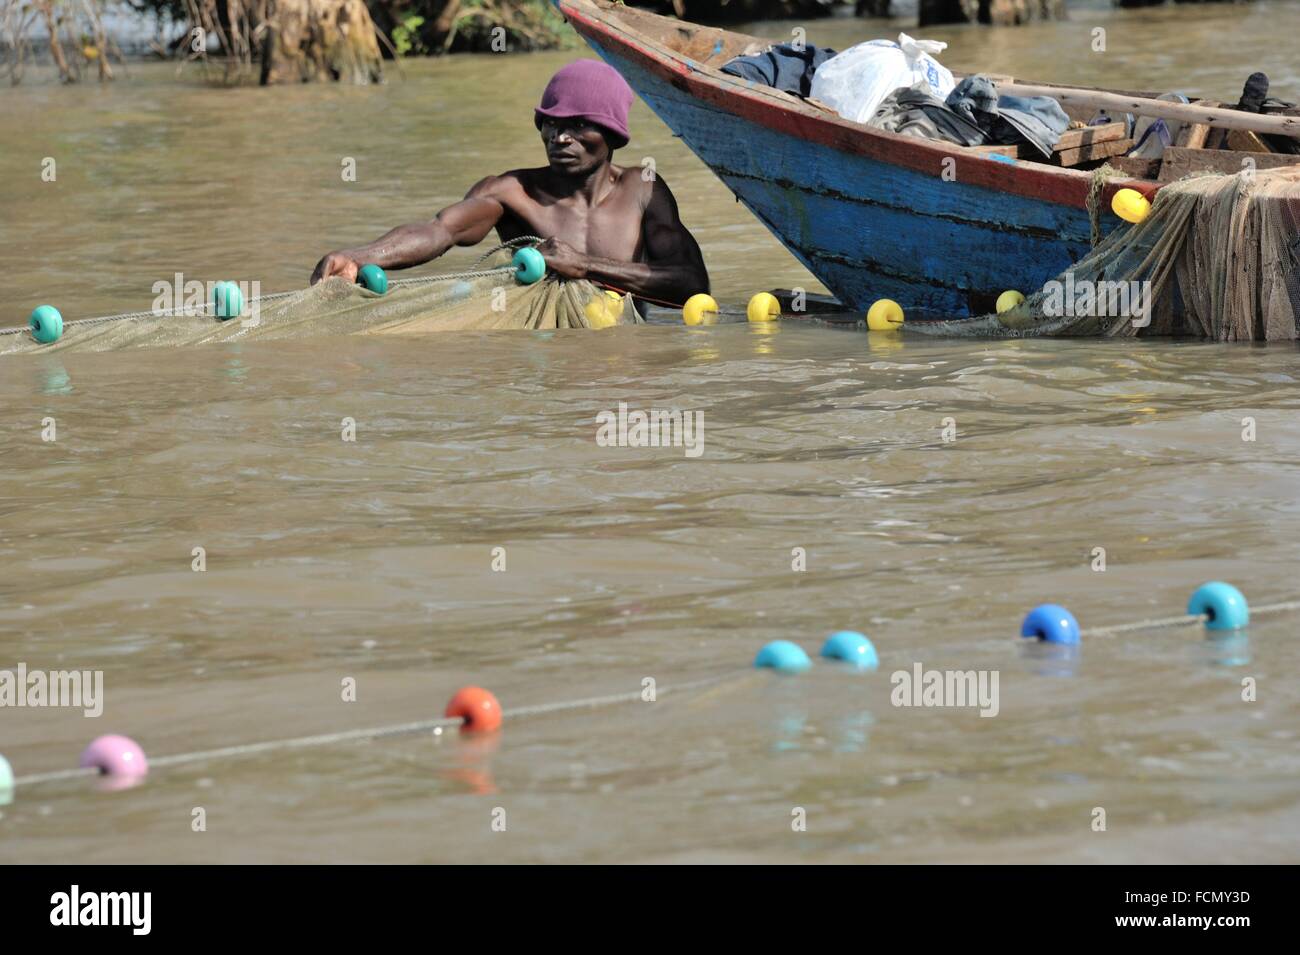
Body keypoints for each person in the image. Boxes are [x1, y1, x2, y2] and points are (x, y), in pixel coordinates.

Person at [311, 59, 709, 305]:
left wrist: (585, 265)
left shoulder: (643, 188)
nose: (560, 137)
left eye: (578, 125)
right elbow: (439, 231)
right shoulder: (511, 192)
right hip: (548, 363)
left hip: (626, 368)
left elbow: (692, 283)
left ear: (613, 136)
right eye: (550, 124)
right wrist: (362, 256)